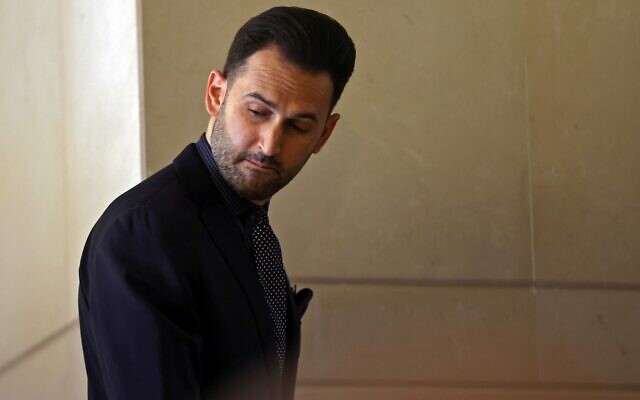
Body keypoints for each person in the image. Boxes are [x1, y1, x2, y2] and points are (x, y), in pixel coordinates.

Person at [77, 6, 355, 400]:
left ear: (324, 135)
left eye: (298, 126)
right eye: (257, 111)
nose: (270, 143)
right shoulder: (143, 234)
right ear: (216, 94)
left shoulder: (248, 221)